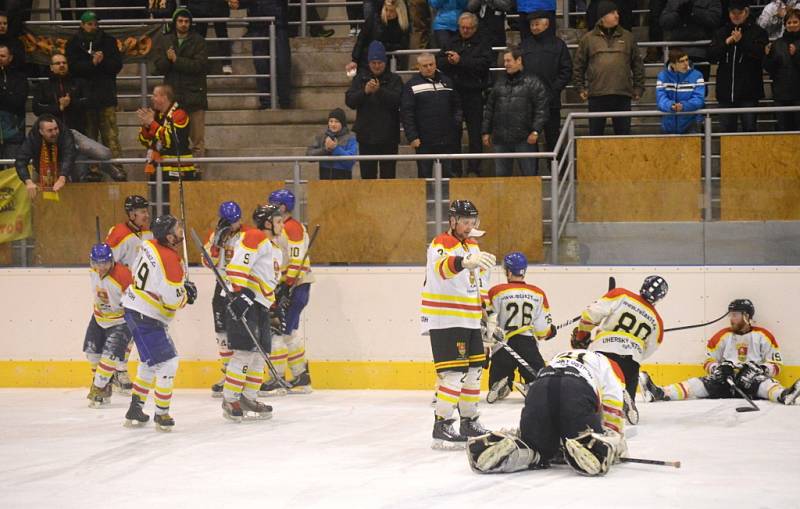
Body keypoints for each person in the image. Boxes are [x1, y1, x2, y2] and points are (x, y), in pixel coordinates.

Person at [467, 347, 627, 476]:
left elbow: (554, 402)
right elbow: (613, 405)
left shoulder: (562, 355)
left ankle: (519, 448)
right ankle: (586, 446)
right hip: (575, 389)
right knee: (588, 440)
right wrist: (613, 437)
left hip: (540, 387)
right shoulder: (610, 366)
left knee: (539, 448)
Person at [422, 199, 496, 449]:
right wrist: (463, 262)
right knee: (454, 374)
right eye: (465, 221)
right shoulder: (440, 243)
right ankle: (442, 426)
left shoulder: (473, 245)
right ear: (452, 221)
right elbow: (443, 269)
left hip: (470, 319)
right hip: (447, 319)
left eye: (471, 221)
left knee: (475, 371)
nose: (469, 226)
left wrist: (489, 315)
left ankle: (469, 421)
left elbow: (478, 285)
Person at [640, 299, 800, 406]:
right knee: (698, 383)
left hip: (750, 380)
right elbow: (708, 361)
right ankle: (660, 393)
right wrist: (718, 369)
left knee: (765, 384)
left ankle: (784, 395)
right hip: (726, 379)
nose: (731, 318)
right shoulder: (722, 336)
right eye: (731, 315)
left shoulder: (763, 336)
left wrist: (761, 369)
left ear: (747, 316)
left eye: (735, 315)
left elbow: (776, 364)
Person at [121, 214, 197, 431]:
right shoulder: (170, 260)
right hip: (147, 316)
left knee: (149, 363)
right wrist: (186, 295)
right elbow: (173, 300)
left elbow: (143, 272)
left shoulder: (148, 245)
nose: (181, 230)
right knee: (168, 362)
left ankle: (135, 409)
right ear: (169, 236)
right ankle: (161, 414)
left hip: (135, 309)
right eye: (177, 228)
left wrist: (180, 285)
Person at [571, 275, 668, 425]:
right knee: (622, 402)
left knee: (595, 385)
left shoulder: (621, 294)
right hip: (632, 361)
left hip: (604, 350)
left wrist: (581, 335)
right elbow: (649, 350)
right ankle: (624, 398)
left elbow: (590, 314)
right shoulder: (657, 322)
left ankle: (597, 403)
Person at [222, 204, 284, 421]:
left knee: (260, 353)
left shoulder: (274, 247)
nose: (281, 225)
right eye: (277, 221)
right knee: (245, 352)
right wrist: (240, 296)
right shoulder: (255, 237)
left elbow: (267, 280)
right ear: (267, 223)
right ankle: (230, 399)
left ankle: (249, 397)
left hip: (260, 305)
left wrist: (274, 305)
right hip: (246, 303)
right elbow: (236, 268)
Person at [260, 189, 315, 395]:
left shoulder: (292, 228)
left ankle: (277, 378)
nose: (270, 206)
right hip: (290, 285)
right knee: (288, 332)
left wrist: (287, 285)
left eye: (273, 203)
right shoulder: (283, 227)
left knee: (278, 332)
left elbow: (296, 260)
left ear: (282, 207)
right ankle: (301, 376)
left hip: (295, 286)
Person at [33, 53, 116, 183]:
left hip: (77, 134)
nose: (61, 65)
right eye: (58, 63)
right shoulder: (43, 87)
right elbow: (37, 109)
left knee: (83, 172)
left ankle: (107, 168)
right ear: (51, 67)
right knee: (57, 179)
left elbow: (89, 102)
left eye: (64, 63)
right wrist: (59, 107)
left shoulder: (79, 83)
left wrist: (70, 103)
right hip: (53, 140)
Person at [484, 252, 556, 403]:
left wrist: (487, 342)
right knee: (538, 376)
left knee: (499, 372)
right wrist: (549, 332)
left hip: (503, 344)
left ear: (508, 271)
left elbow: (487, 319)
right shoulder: (538, 293)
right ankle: (532, 385)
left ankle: (500, 384)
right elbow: (542, 329)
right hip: (527, 343)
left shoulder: (496, 292)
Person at [65, 11, 125, 181]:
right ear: (82, 25)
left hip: (106, 96)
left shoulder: (109, 41)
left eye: (95, 23)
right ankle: (93, 170)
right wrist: (91, 64)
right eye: (89, 23)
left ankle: (117, 167)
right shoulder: (73, 43)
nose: (93, 26)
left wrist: (102, 61)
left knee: (111, 135)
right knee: (89, 137)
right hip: (84, 99)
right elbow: (73, 68)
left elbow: (117, 65)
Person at [572, 0, 645, 136]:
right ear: (602, 16)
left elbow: (638, 65)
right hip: (597, 94)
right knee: (595, 138)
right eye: (612, 13)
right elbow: (578, 65)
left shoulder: (628, 37)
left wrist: (638, 87)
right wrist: (580, 87)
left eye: (617, 12)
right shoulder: (588, 39)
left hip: (622, 94)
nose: (617, 15)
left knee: (623, 138)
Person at [105, 194, 153, 392]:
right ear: (131, 214)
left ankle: (118, 369)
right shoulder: (119, 233)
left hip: (135, 293)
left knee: (131, 332)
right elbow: (106, 263)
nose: (146, 215)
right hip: (120, 293)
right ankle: (116, 370)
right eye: (142, 212)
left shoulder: (145, 233)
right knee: (120, 331)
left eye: (146, 211)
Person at [437, 12, 492, 177]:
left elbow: (484, 65)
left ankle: (474, 169)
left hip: (473, 93)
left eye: (469, 28)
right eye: (463, 27)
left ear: (475, 28)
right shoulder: (451, 41)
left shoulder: (483, 43)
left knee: (475, 134)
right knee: (454, 134)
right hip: (454, 95)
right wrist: (449, 61)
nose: (466, 30)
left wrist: (461, 61)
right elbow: (439, 61)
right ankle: (455, 170)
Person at [203, 200, 248, 398]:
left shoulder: (247, 237)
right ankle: (228, 374)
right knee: (222, 332)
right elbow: (207, 262)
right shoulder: (216, 235)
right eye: (231, 221)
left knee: (242, 332)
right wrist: (216, 245)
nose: (234, 224)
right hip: (221, 288)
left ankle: (243, 375)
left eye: (237, 220)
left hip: (240, 289)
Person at [481, 46, 549, 177]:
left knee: (529, 177)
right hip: (501, 139)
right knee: (501, 179)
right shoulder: (499, 83)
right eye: (504, 61)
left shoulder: (533, 82)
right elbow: (490, 109)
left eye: (508, 60)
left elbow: (542, 109)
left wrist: (535, 131)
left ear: (519, 60)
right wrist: (486, 131)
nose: (505, 64)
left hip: (524, 138)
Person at [153, 7, 209, 162]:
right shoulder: (165, 41)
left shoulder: (199, 41)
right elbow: (158, 67)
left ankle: (197, 171)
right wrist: (168, 60)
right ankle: (179, 172)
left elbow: (199, 66)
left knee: (197, 140)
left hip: (195, 97)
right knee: (173, 139)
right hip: (173, 99)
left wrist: (176, 60)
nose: (184, 24)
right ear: (174, 22)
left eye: (186, 21)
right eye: (180, 21)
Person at [83, 243, 134, 408]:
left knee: (109, 357)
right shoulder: (93, 272)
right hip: (98, 318)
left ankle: (99, 387)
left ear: (111, 261)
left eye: (104, 263)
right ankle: (103, 384)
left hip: (120, 322)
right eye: (97, 263)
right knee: (92, 354)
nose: (101, 267)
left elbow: (134, 300)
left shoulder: (123, 275)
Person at [345, 41, 403, 179]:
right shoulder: (360, 79)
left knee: (388, 177)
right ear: (369, 62)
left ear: (385, 62)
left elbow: (398, 101)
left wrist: (379, 91)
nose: (377, 66)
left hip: (389, 137)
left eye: (380, 62)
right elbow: (350, 101)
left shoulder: (395, 80)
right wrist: (365, 92)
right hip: (366, 137)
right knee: (367, 177)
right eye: (373, 63)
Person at [709, 0, 769, 133]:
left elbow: (760, 53)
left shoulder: (758, 32)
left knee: (749, 130)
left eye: (739, 12)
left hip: (749, 93)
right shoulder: (721, 32)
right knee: (726, 133)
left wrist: (741, 41)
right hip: (725, 93)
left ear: (746, 12)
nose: (736, 16)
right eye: (732, 13)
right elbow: (711, 56)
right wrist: (727, 43)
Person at [400, 53, 462, 178]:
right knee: (424, 177)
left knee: (448, 176)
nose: (428, 67)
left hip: (447, 139)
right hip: (423, 141)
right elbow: (407, 112)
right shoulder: (411, 85)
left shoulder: (447, 82)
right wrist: (412, 136)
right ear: (419, 67)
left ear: (435, 64)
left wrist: (456, 124)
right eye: (425, 65)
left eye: (431, 64)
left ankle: (447, 198)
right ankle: (426, 198)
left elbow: (457, 105)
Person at [521, 13, 572, 156]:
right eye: (532, 25)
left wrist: (553, 90)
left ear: (546, 24)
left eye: (537, 24)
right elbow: (519, 69)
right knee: (530, 140)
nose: (534, 27)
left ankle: (556, 171)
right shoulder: (525, 45)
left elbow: (566, 70)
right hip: (528, 101)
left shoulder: (558, 45)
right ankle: (533, 173)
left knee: (553, 138)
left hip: (551, 101)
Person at [236, 0, 292, 109]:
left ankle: (283, 100)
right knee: (261, 64)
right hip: (259, 23)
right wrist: (239, 4)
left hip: (277, 23)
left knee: (282, 63)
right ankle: (267, 101)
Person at [137, 84, 197, 180]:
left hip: (179, 169)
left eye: (155, 95)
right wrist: (147, 126)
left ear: (164, 98)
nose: (152, 98)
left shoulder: (179, 114)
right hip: (158, 168)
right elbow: (145, 142)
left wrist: (151, 123)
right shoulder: (156, 115)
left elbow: (170, 140)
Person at [660, 0, 721, 90]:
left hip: (700, 54)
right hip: (676, 53)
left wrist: (693, 12)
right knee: (674, 91)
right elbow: (663, 21)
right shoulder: (673, 1)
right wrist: (678, 14)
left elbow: (715, 19)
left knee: (698, 92)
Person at [14, 114, 76, 200]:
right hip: (40, 171)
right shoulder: (33, 138)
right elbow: (20, 161)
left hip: (62, 171)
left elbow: (69, 155)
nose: (54, 133)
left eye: (56, 129)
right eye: (50, 130)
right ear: (41, 132)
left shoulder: (65, 133)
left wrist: (62, 177)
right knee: (38, 203)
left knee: (66, 203)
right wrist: (28, 182)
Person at [347, 0, 410, 73]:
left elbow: (403, 45)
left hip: (389, 60)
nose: (388, 13)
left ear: (399, 12)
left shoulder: (403, 26)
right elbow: (361, 39)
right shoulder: (374, 18)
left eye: (392, 11)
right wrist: (354, 60)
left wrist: (384, 46)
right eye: (386, 9)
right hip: (367, 59)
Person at [764, 9, 800, 131]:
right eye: (789, 22)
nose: (792, 25)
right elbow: (769, 68)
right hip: (781, 94)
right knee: (783, 128)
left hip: (798, 94)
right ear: (785, 25)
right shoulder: (777, 44)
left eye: (795, 22)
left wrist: (796, 55)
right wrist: (768, 56)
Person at [656, 48, 706, 134]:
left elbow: (699, 100)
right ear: (673, 64)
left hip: (691, 125)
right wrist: (671, 106)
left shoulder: (697, 75)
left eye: (686, 60)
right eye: (681, 61)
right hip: (668, 125)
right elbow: (661, 99)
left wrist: (683, 106)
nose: (686, 63)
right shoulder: (662, 76)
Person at [306, 108, 358, 180]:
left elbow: (350, 162)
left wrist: (335, 148)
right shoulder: (321, 136)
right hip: (324, 177)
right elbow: (309, 155)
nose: (333, 124)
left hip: (344, 179)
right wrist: (325, 150)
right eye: (331, 121)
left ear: (342, 123)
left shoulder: (350, 137)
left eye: (336, 122)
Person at [188, 0, 233, 74]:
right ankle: (198, 62)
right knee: (200, 36)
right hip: (202, 7)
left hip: (213, 7)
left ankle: (226, 63)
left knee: (221, 35)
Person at [0, 43, 26, 162]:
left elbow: (18, 102)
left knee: (13, 167)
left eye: (2, 56)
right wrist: (7, 93)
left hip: (13, 132)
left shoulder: (19, 77)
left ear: (10, 58)